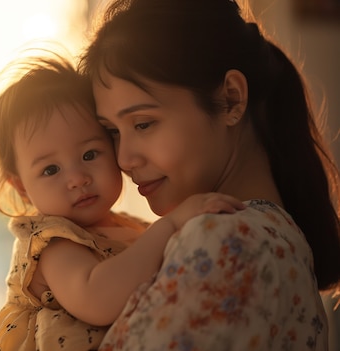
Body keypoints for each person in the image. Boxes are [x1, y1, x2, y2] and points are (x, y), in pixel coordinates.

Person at [76, 0, 340, 349]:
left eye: (143, 123)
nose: (124, 158)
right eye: (112, 131)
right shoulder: (276, 238)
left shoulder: (226, 239)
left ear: (231, 99)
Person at [0, 53, 245, 351]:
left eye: (90, 154)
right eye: (50, 170)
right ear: (22, 187)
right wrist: (170, 224)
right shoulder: (52, 243)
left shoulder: (129, 228)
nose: (77, 178)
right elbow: (98, 299)